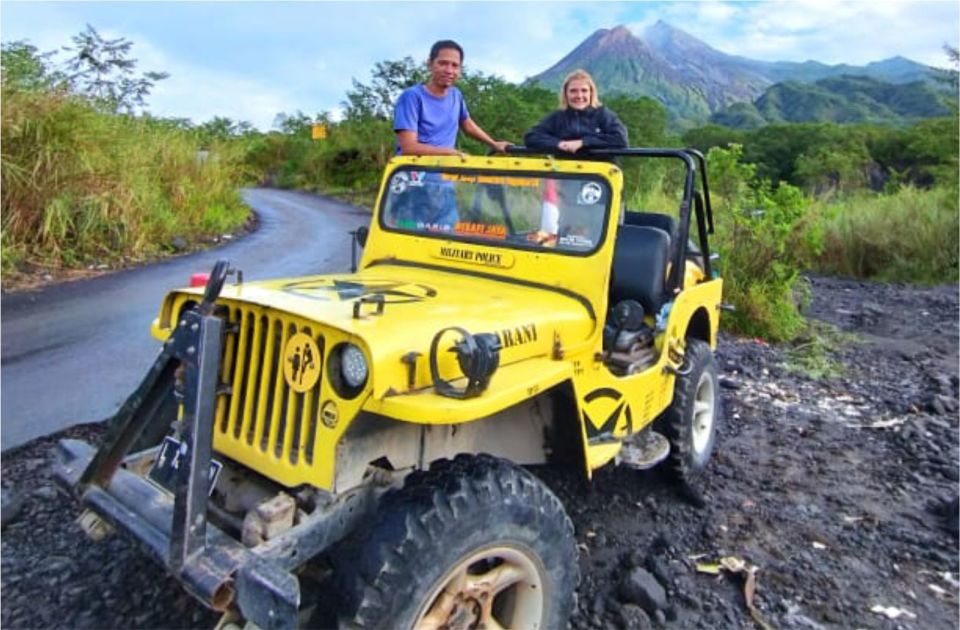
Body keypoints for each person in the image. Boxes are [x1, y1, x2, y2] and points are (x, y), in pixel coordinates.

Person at [394, 39, 510, 157]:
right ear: (430, 64)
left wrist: (493, 143)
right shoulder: (411, 97)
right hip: (413, 170)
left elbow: (467, 124)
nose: (449, 71)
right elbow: (409, 147)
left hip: (444, 170)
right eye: (443, 63)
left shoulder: (456, 95)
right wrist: (450, 153)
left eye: (455, 65)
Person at [523, 69, 628, 154]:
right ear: (565, 94)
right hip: (565, 175)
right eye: (573, 91)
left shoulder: (603, 114)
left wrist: (583, 142)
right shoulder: (557, 117)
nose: (579, 96)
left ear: (591, 93)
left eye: (584, 90)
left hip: (598, 176)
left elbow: (620, 138)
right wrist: (558, 144)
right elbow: (531, 137)